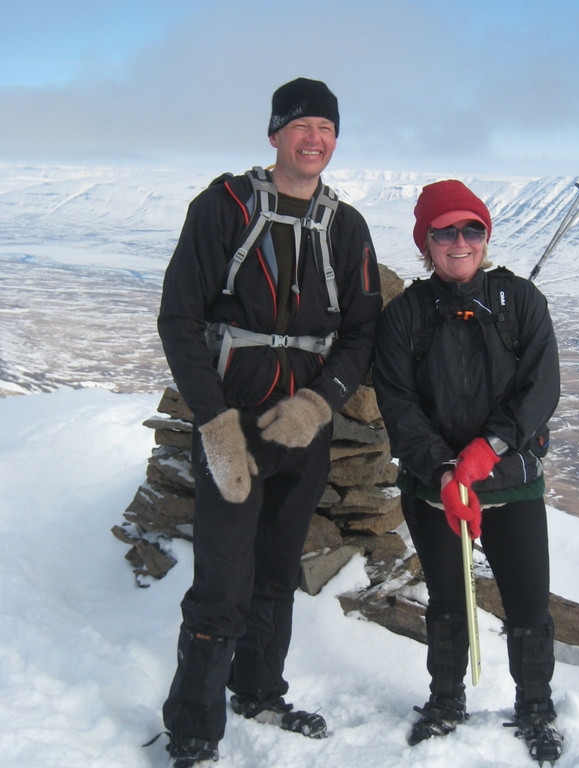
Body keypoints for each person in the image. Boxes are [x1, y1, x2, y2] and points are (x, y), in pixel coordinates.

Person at [156, 78, 382, 767]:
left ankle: (259, 691)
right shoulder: (223, 206)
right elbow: (179, 319)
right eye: (302, 125)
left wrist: (321, 403)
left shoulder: (347, 228)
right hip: (235, 428)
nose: (315, 139)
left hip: (303, 430)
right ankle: (194, 728)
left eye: (327, 128)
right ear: (276, 133)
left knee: (278, 570)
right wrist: (214, 422)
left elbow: (363, 334)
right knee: (223, 579)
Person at [372, 180, 563, 763]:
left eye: (471, 228)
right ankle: (445, 702)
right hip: (434, 489)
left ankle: (535, 709)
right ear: (425, 243)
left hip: (512, 483)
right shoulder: (405, 316)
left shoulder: (520, 301)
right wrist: (446, 471)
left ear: (486, 234)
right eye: (444, 231)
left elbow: (541, 388)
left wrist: (485, 453)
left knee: (528, 604)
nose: (460, 242)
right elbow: (399, 406)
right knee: (448, 602)